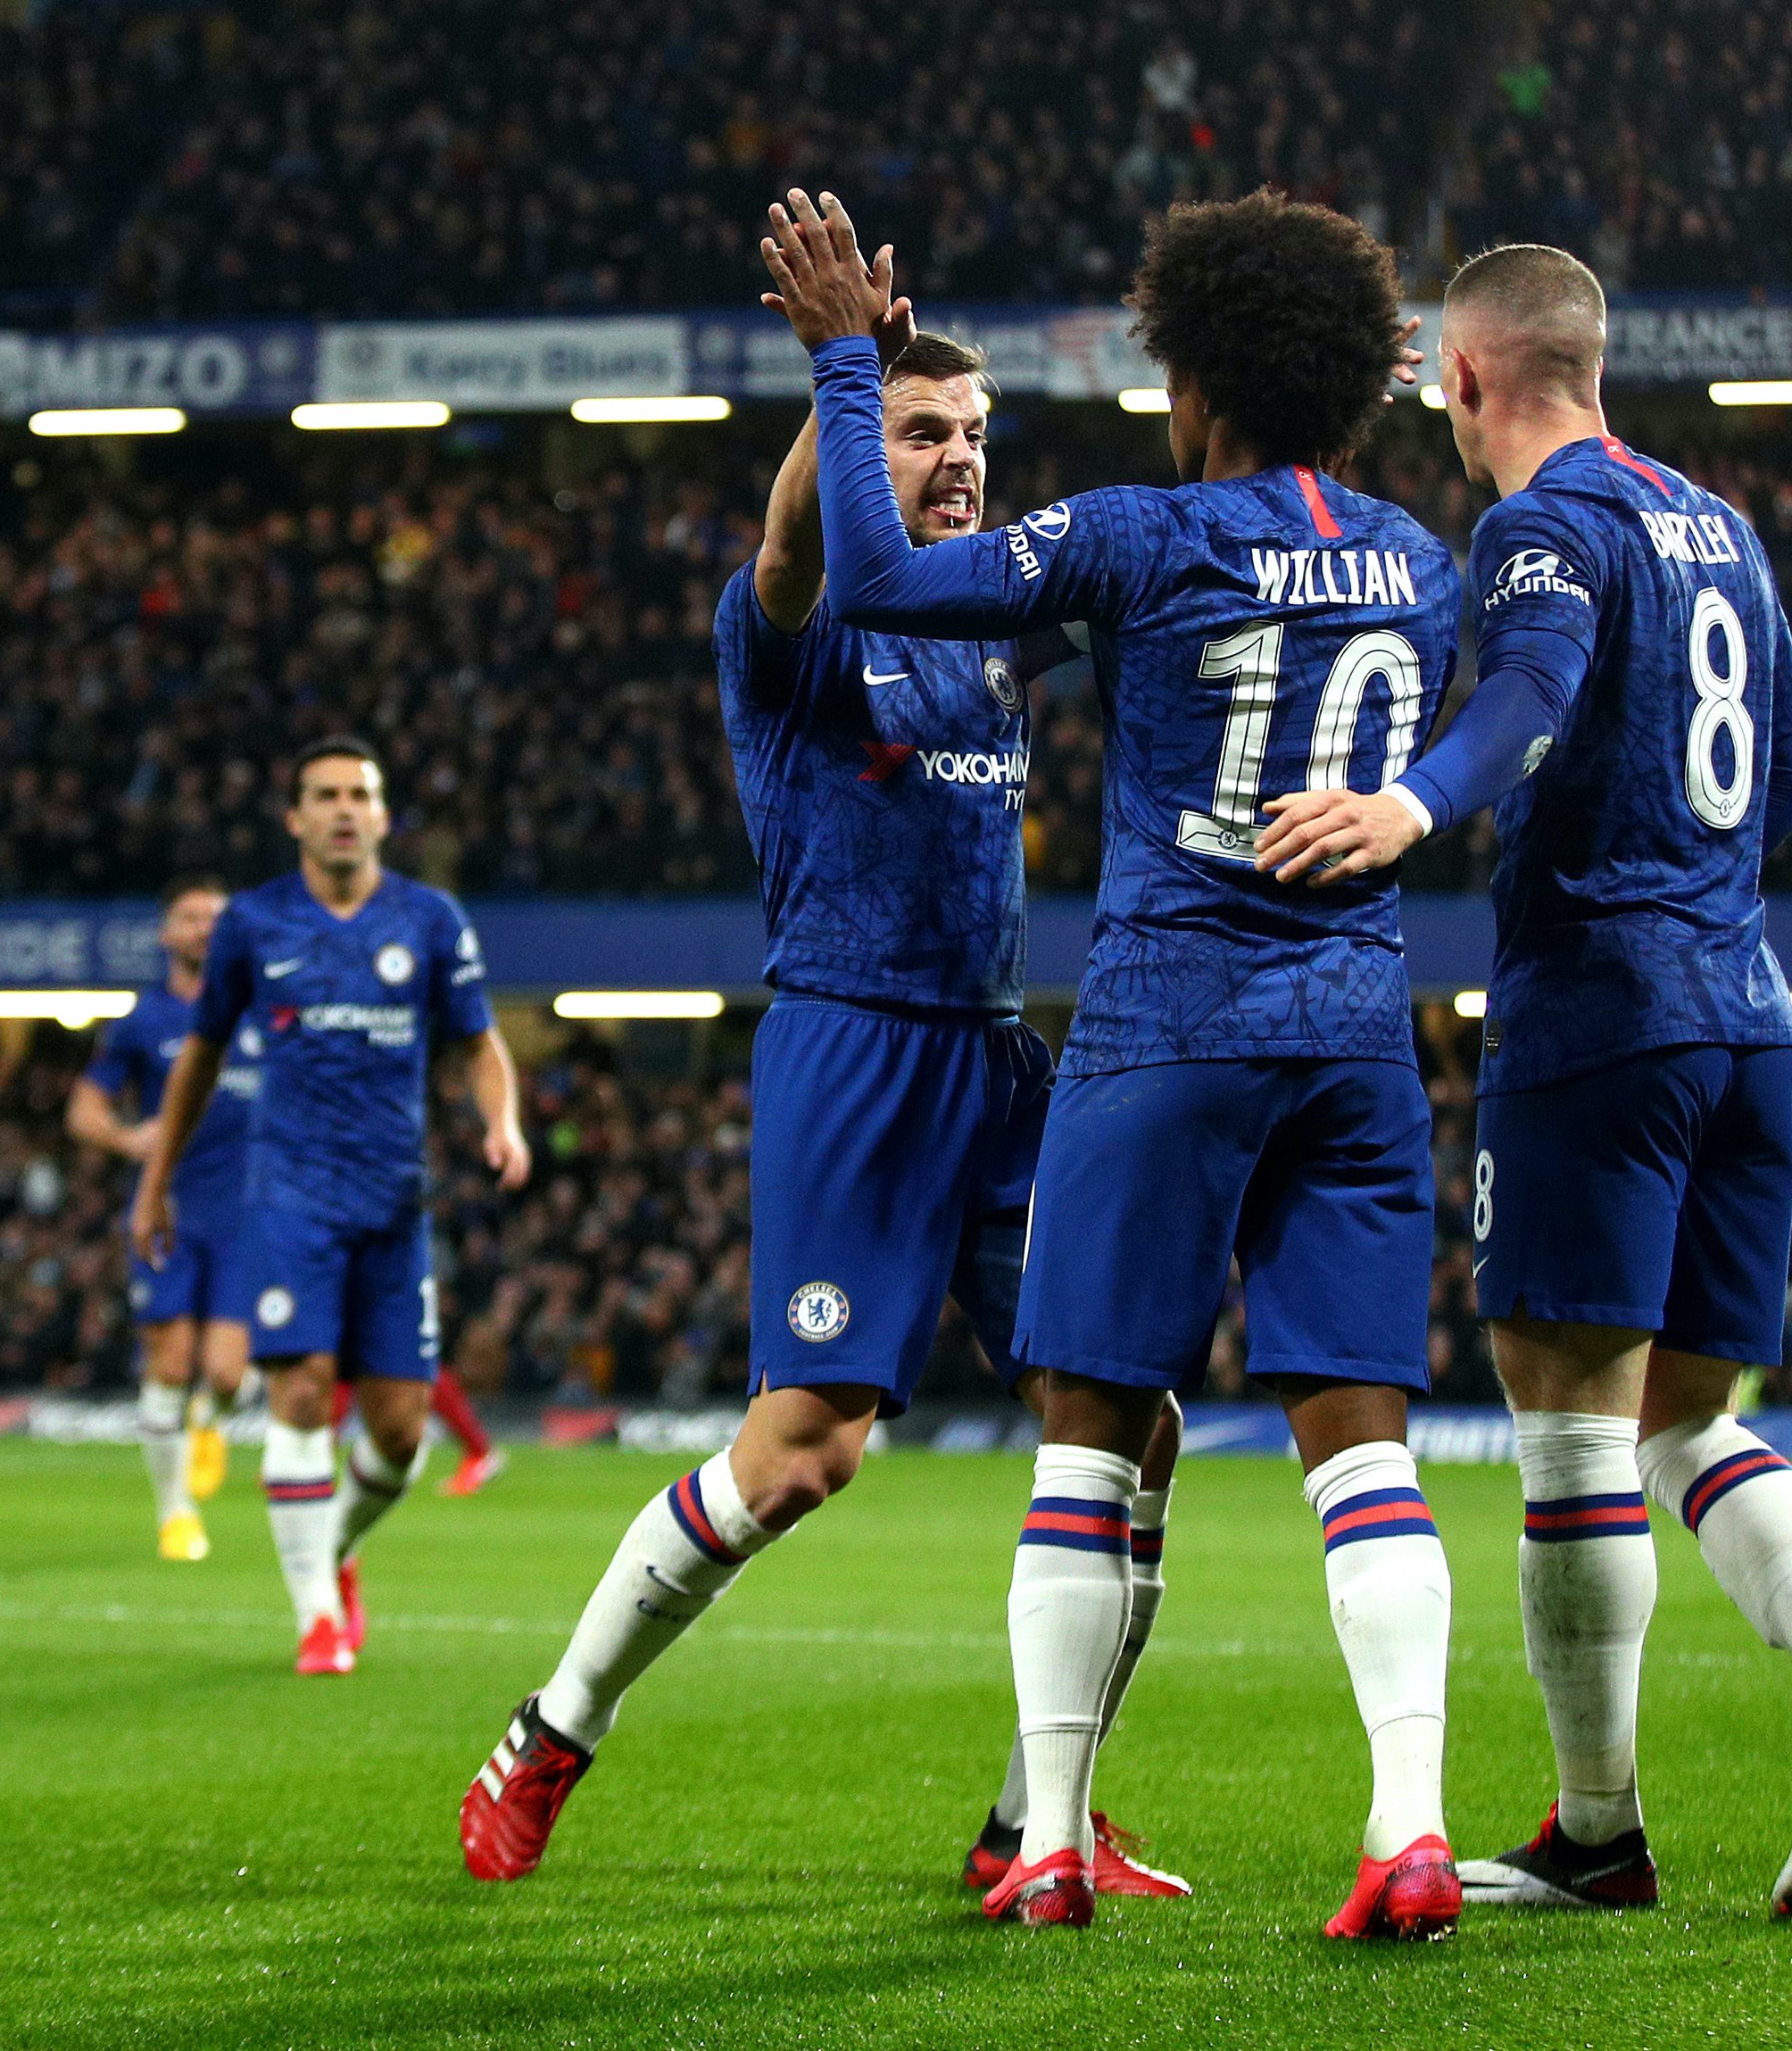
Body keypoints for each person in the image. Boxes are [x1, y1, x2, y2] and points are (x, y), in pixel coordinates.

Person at [766, 187, 1464, 1936]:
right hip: (1354, 1038)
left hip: (1164, 1029)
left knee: (1086, 1437)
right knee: (1358, 1446)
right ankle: (1408, 1825)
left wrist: (850, 372)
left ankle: (1053, 1838)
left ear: (1196, 378)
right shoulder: (1418, 557)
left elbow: (874, 584)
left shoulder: (1141, 533)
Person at [1248, 240, 1792, 1923]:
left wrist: (1416, 808)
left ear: (1465, 378)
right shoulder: (1719, 520)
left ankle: (1597, 1830)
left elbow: (1537, 692)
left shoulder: (1540, 526)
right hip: (1747, 1006)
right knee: (1683, 1414)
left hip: (1598, 1012)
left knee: (1566, 1417)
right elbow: (1783, 777)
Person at [460, 301, 1184, 1902]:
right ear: (860, 450)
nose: (959, 459)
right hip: (853, 1051)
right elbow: (794, 543)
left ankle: (1039, 1814)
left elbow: (1153, 579)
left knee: (1134, 1421)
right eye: (924, 434)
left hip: (998, 1061)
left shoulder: (991, 619)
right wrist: (840, 374)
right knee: (803, 1456)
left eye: (974, 436)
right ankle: (555, 1724)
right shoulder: (790, 627)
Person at [130, 739, 530, 1677]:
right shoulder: (253, 924)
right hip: (288, 1194)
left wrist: (502, 1124)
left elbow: (478, 1043)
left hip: (394, 1195)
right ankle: (317, 1617)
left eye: (361, 794)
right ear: (295, 817)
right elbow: (197, 1059)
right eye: (325, 795)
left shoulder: (429, 920)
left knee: (398, 1434)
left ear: (384, 817)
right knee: (301, 1390)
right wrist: (155, 1183)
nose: (344, 809)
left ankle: (335, 1548)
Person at [71, 876, 267, 1561]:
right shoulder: (142, 1022)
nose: (204, 929)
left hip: (246, 1217)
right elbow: (84, 1110)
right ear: (166, 934)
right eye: (190, 918)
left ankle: (210, 1417)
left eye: (217, 918)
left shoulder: (259, 1013)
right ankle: (176, 1513)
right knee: (170, 1359)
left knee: (227, 1374)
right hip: (171, 1212)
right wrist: (129, 1138)